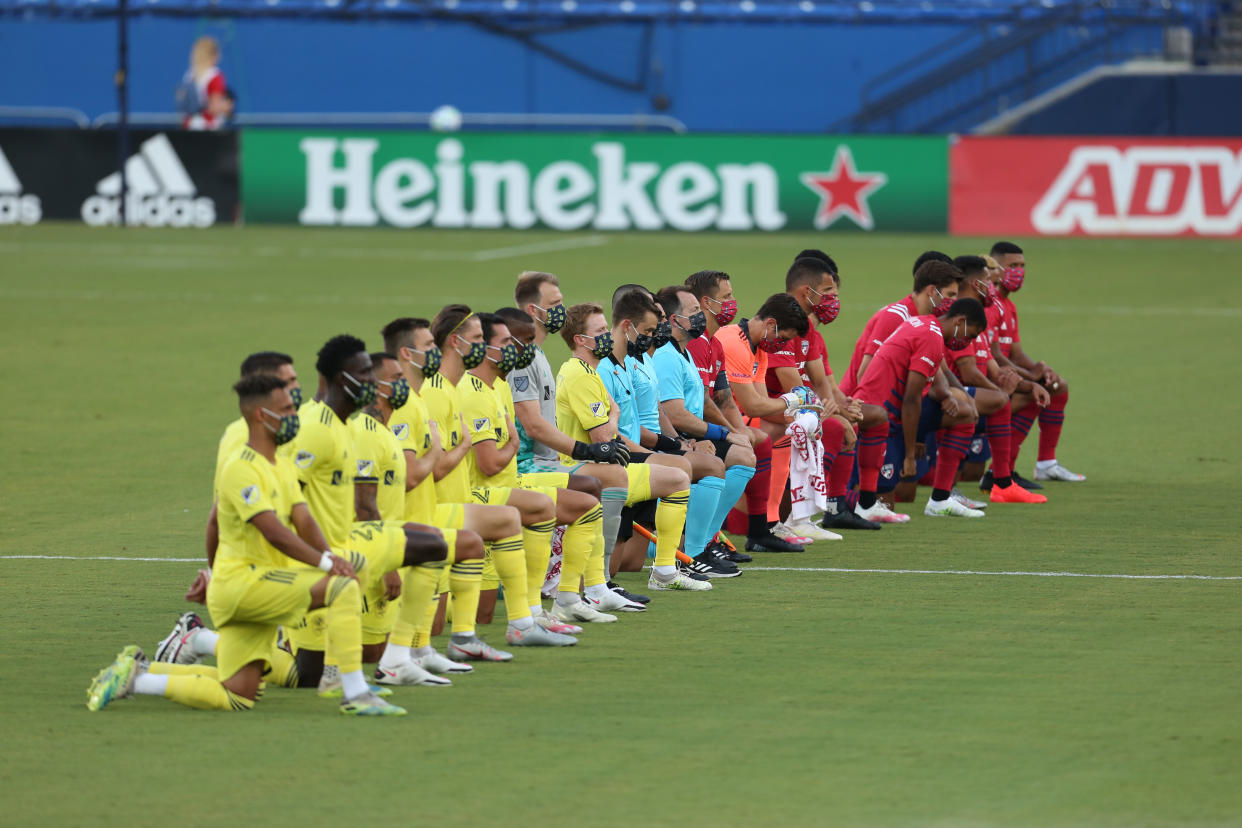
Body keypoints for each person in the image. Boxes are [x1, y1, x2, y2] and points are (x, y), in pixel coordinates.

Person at [87, 374, 433, 716]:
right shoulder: (241, 468)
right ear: (259, 416)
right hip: (244, 586)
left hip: (253, 584)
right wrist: (326, 564)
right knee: (340, 587)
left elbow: (303, 521)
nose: (294, 417)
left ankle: (135, 677)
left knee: (240, 695)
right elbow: (272, 532)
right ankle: (353, 691)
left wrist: (331, 555)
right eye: (284, 410)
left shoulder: (281, 465)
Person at [377, 318, 555, 673]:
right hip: (420, 511)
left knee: (502, 525)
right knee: (424, 621)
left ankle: (507, 626)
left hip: (442, 505)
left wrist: (452, 447)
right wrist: (459, 446)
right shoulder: (429, 396)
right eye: (479, 338)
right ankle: (417, 651)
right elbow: (428, 470)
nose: (432, 353)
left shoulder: (441, 391)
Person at [457, 311, 634, 624]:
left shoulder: (498, 386)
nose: (524, 349)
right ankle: (544, 601)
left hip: (509, 483)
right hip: (489, 491)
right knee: (476, 617)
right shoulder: (472, 393)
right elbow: (489, 463)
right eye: (513, 342)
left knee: (587, 501)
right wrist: (513, 445)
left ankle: (568, 597)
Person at [505, 273, 647, 605]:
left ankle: (592, 586)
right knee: (609, 478)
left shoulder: (538, 355)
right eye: (554, 304)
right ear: (532, 308)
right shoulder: (523, 359)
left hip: (548, 461)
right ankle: (589, 586)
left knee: (612, 479)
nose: (561, 310)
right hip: (529, 466)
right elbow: (533, 425)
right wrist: (586, 448)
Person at [555, 302, 702, 592]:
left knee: (677, 478)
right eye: (599, 332)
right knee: (673, 474)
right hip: (586, 470)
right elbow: (602, 436)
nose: (607, 337)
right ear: (580, 340)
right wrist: (614, 414)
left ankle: (663, 572)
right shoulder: (580, 375)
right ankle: (602, 583)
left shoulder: (589, 371)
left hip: (604, 467)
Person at [604, 287, 740, 579]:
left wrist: (679, 442)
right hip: (633, 452)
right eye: (656, 322)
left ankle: (683, 549)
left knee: (631, 563)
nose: (661, 327)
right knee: (694, 467)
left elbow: (657, 411)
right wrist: (674, 447)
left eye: (662, 320)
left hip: (645, 448)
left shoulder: (644, 360)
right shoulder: (613, 366)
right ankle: (687, 555)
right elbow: (630, 426)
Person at [682, 271, 788, 554]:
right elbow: (705, 402)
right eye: (726, 297)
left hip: (700, 427)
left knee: (755, 441)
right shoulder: (695, 344)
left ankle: (748, 531)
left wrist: (738, 432)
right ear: (706, 303)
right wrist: (730, 433)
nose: (733, 302)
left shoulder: (714, 344)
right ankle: (703, 540)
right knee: (744, 449)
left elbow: (724, 399)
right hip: (685, 431)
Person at [854, 300, 989, 520]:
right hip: (880, 412)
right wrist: (910, 457)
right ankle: (842, 504)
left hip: (890, 407)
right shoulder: (931, 338)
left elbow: (928, 380)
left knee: (964, 413)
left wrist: (945, 394)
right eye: (970, 336)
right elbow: (911, 399)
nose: (968, 342)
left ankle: (940, 500)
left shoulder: (925, 324)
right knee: (884, 501)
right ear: (960, 321)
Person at [712, 293, 814, 552]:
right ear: (771, 324)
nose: (782, 344)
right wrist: (795, 401)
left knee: (770, 436)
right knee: (757, 440)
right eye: (784, 338)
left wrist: (807, 413)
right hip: (711, 419)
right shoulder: (734, 342)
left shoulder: (759, 348)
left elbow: (762, 403)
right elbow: (753, 405)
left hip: (728, 417)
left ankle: (760, 530)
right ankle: (716, 531)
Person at [947, 258, 1046, 505]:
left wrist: (1029, 384)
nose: (993, 287)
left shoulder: (978, 319)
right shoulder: (960, 318)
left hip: (973, 400)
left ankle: (1002, 479)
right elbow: (968, 372)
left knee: (1029, 395)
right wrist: (1000, 391)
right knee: (906, 490)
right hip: (950, 398)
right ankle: (992, 483)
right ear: (973, 283)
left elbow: (992, 365)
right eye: (987, 281)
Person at [987, 241, 1084, 484]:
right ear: (995, 268)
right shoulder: (990, 304)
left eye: (1022, 265)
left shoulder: (1009, 306)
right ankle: (1002, 471)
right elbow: (993, 354)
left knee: (1055, 385)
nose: (1019, 271)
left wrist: (1041, 368)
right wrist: (1031, 377)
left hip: (1006, 375)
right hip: (991, 380)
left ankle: (1046, 463)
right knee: (1036, 390)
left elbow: (1016, 353)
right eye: (1012, 265)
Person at [179, 36, 234, 130]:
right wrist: (226, 107)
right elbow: (214, 108)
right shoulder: (214, 75)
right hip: (207, 126)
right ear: (214, 55)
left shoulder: (189, 75)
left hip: (188, 124)